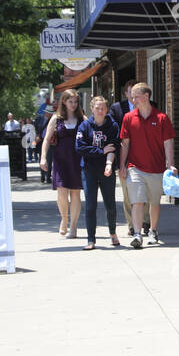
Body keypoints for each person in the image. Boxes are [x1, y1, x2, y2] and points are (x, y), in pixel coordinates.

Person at [119, 82, 175, 249]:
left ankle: (153, 230)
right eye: (132, 96)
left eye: (136, 96)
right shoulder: (128, 118)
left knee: (154, 202)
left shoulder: (161, 118)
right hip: (135, 167)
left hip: (157, 168)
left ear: (146, 96)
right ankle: (137, 234)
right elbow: (125, 143)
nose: (133, 99)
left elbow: (168, 143)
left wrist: (170, 165)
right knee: (137, 201)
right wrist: (122, 165)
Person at [75, 97, 122, 250]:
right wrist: (101, 151)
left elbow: (114, 147)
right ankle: (91, 240)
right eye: (97, 108)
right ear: (92, 109)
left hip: (106, 169)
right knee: (90, 205)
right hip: (89, 170)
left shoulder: (113, 126)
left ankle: (113, 233)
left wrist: (108, 163)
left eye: (103, 108)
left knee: (110, 205)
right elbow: (80, 148)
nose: (100, 111)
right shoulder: (85, 126)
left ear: (107, 109)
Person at [40, 90, 84, 237]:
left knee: (75, 192)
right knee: (62, 192)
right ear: (64, 102)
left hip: (77, 158)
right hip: (60, 158)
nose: (73, 104)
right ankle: (64, 219)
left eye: (75, 102)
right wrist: (43, 158)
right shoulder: (56, 118)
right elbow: (46, 139)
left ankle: (73, 226)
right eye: (70, 101)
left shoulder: (82, 118)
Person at [109, 79, 139, 237]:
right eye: (130, 91)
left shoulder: (149, 106)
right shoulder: (116, 108)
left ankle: (145, 222)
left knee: (143, 191)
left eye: (136, 91)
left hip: (144, 154)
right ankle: (132, 225)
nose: (134, 95)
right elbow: (113, 131)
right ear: (126, 93)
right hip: (124, 156)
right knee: (128, 192)